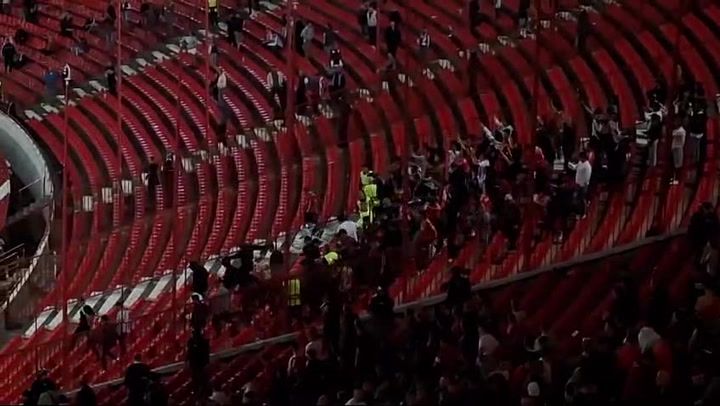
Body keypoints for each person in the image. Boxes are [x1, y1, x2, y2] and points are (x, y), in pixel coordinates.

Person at [187, 329, 211, 396]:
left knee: (202, 380)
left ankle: (203, 392)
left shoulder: (204, 342)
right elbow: (189, 354)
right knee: (197, 380)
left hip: (201, 365)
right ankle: (198, 392)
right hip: (195, 366)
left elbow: (206, 353)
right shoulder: (191, 342)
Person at [568, 151, 592, 218]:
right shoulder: (580, 162)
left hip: (583, 186)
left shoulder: (587, 166)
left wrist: (582, 185)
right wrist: (569, 164)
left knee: (582, 199)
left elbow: (587, 177)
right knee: (577, 199)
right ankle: (577, 212)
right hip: (577, 184)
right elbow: (575, 167)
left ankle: (584, 213)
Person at [670, 119, 686, 184]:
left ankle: (677, 179)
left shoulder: (682, 131)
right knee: (674, 165)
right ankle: (673, 179)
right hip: (674, 148)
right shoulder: (675, 130)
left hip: (679, 149)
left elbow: (682, 142)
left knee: (678, 165)